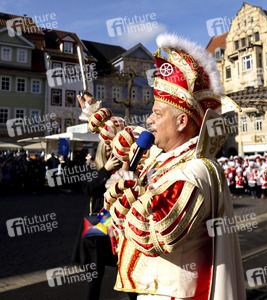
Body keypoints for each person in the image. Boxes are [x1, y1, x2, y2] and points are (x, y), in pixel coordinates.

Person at [103, 34, 245, 300]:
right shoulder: (165, 158)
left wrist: (127, 202)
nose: (150, 120)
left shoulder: (195, 171)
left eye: (157, 113)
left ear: (181, 122)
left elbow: (157, 235)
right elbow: (128, 140)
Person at [71, 141, 124, 300]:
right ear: (102, 151)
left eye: (114, 151)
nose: (111, 155)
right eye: (108, 151)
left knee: (124, 265)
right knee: (95, 270)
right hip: (99, 219)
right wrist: (105, 170)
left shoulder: (121, 168)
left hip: (118, 219)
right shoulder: (93, 168)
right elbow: (88, 189)